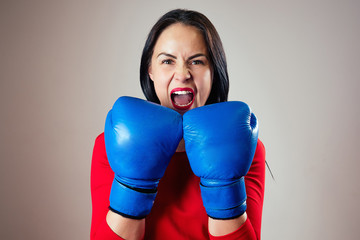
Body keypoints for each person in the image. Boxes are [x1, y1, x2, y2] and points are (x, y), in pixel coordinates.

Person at [90, 9, 266, 240]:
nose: (182, 74)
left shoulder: (246, 148)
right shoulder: (111, 144)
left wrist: (223, 188)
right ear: (150, 71)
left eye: (197, 61)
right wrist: (132, 186)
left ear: (213, 72)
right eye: (167, 60)